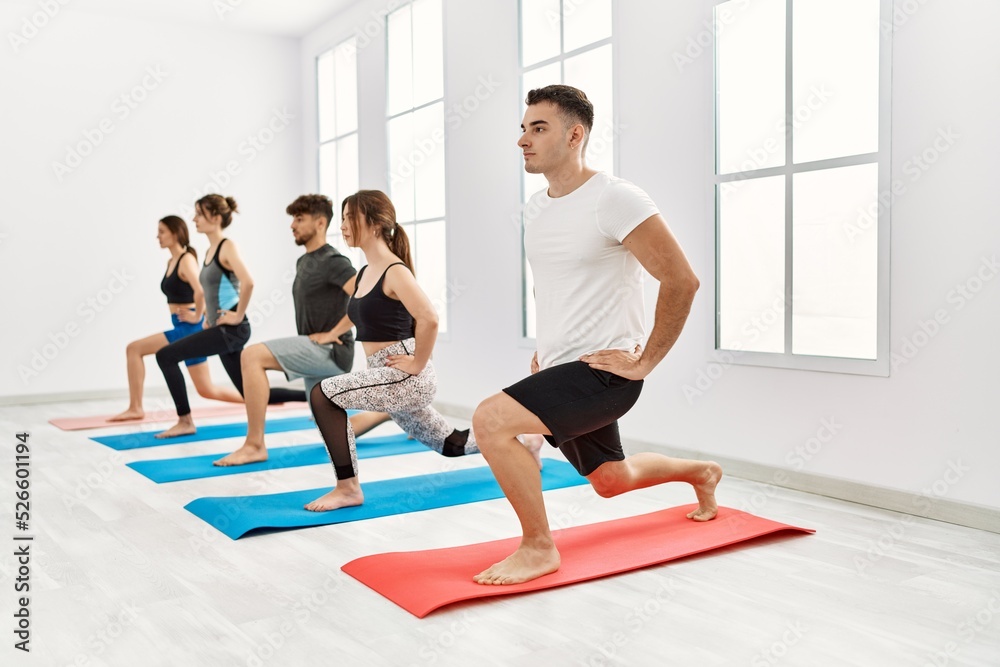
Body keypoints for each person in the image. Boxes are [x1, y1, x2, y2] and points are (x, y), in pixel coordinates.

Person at [471, 85, 722, 586]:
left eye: (537, 128)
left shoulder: (615, 198)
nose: (523, 139)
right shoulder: (536, 210)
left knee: (490, 420)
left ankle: (539, 548)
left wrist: (646, 361)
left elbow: (681, 279)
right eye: (522, 128)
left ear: (574, 134)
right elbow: (560, 286)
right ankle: (701, 472)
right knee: (612, 480)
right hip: (563, 367)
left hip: (605, 374)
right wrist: (548, 350)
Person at [304, 190, 540, 512]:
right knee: (451, 445)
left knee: (322, 394)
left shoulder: (394, 270)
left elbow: (428, 318)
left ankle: (348, 488)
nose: (342, 225)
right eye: (342, 218)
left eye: (349, 218)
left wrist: (417, 364)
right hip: (386, 376)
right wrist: (331, 334)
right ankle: (527, 438)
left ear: (374, 224)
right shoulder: (364, 273)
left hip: (405, 376)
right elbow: (357, 316)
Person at [214, 195, 390, 466]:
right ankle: (390, 411)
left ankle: (254, 445)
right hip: (314, 349)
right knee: (332, 431)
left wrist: (333, 333)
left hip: (331, 351)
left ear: (320, 223)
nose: (292, 225)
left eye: (299, 219)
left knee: (251, 356)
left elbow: (363, 299)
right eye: (292, 219)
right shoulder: (304, 261)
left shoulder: (333, 260)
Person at [154, 194, 301, 438]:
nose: (194, 219)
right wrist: (206, 318)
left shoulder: (226, 246)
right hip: (220, 328)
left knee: (166, 356)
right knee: (249, 392)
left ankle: (185, 421)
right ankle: (312, 394)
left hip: (233, 329)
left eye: (199, 214)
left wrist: (237, 315)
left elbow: (249, 282)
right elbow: (212, 291)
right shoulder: (210, 250)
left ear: (214, 216)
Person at [109, 216, 244, 422]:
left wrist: (196, 315)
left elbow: (200, 291)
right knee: (207, 390)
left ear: (175, 233)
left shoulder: (185, 259)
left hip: (188, 328)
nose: (158, 236)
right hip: (182, 325)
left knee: (134, 349)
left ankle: (135, 408)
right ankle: (258, 397)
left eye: (162, 231)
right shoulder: (171, 261)